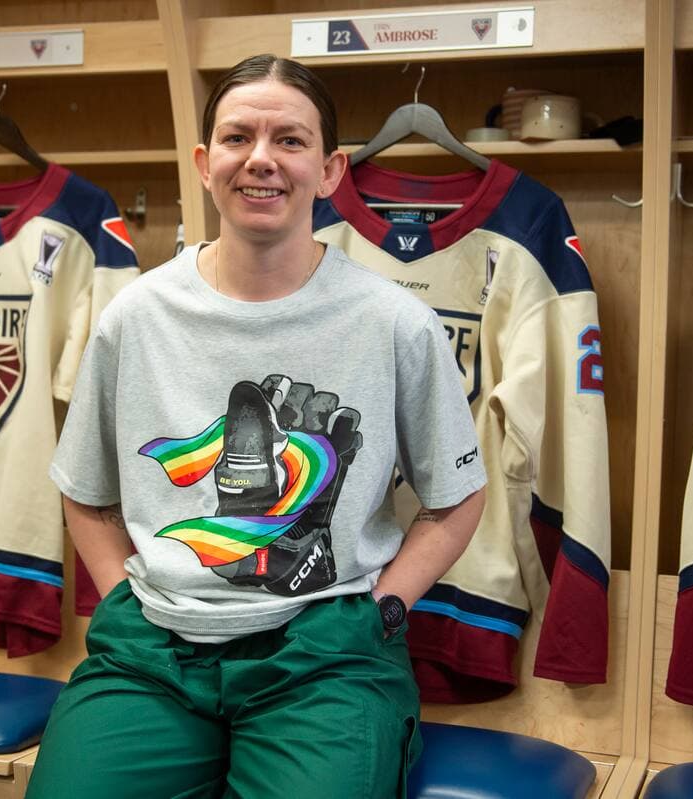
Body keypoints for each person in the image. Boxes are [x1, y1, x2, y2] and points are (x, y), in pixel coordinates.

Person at [27, 54, 487, 799]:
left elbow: (458, 496)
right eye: (239, 138)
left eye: (291, 140)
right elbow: (86, 491)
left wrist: (384, 608)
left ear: (333, 169)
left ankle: (295, 518)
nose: (262, 160)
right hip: (152, 650)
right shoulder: (135, 318)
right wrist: (119, 597)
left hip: (325, 654)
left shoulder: (395, 323)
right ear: (207, 163)